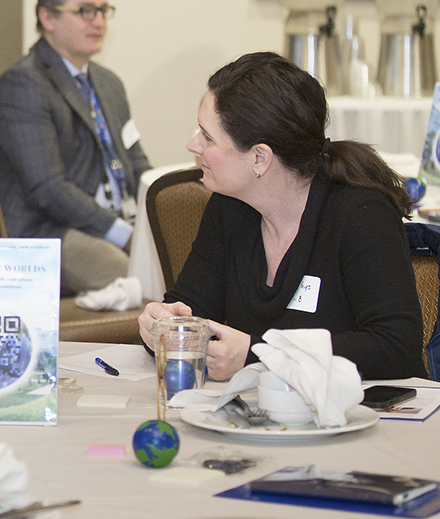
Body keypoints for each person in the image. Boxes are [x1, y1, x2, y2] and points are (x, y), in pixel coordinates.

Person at [139, 52, 424, 382]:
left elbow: (394, 348)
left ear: (260, 157)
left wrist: (260, 356)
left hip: (367, 418)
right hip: (261, 418)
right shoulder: (230, 206)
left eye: (208, 137)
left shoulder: (360, 214)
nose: (193, 145)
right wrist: (163, 325)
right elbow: (190, 308)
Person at [0, 0, 150, 295]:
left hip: (117, 219)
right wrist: (124, 233)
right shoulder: (24, 83)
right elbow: (47, 188)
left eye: (103, 11)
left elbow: (136, 160)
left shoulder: (108, 83)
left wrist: (159, 216)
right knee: (138, 282)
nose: (99, 22)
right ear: (47, 17)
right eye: (85, 11)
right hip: (52, 232)